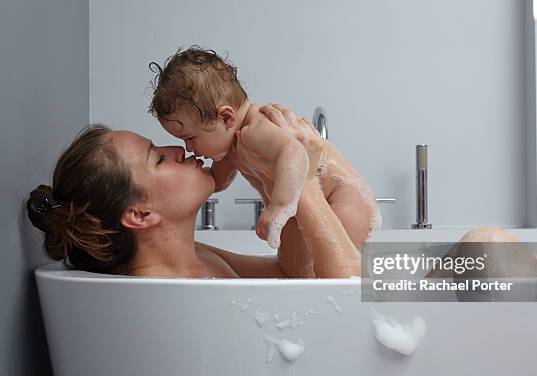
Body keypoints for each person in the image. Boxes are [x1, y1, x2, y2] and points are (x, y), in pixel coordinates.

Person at [26, 105, 360, 279]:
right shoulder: (164, 290)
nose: (178, 150)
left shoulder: (197, 259)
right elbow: (358, 301)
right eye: (157, 157)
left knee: (406, 279)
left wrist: (273, 182)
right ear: (140, 214)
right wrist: (306, 182)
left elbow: (287, 275)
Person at [148, 46, 380, 255]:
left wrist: (278, 206)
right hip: (329, 204)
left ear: (226, 117)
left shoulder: (255, 128)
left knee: (337, 276)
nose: (188, 148)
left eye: (190, 138)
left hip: (345, 200)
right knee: (313, 275)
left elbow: (294, 152)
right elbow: (218, 180)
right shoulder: (230, 146)